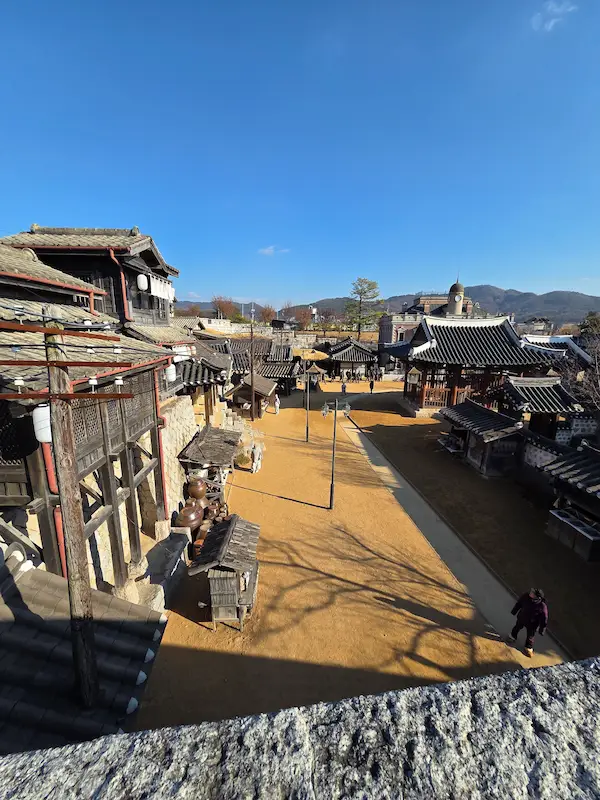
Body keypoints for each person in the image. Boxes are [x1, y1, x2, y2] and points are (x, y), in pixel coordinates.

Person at [508, 588, 548, 657]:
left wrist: (542, 630)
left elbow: (544, 618)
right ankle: (512, 636)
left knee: (530, 636)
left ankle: (528, 647)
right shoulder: (526, 596)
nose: (530, 593)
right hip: (522, 618)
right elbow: (519, 603)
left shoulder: (542, 606)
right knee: (517, 627)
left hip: (532, 624)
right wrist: (514, 611)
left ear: (537, 597)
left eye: (533, 593)